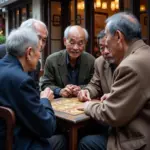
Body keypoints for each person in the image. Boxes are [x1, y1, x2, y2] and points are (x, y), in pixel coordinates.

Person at [78, 12, 150, 150]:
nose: (106, 42)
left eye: (107, 35)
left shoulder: (130, 65)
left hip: (138, 138)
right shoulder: (145, 53)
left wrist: (88, 106)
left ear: (118, 36)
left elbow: (111, 114)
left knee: (86, 143)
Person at [0, 27, 66, 150]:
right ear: (29, 52)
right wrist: (45, 100)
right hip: (16, 143)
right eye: (38, 51)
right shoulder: (21, 81)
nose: (39, 55)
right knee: (62, 140)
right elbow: (47, 128)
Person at [40, 25, 95, 98]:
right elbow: (45, 85)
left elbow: (94, 84)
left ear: (85, 43)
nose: (76, 48)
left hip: (83, 103)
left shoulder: (91, 60)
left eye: (80, 43)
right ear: (65, 41)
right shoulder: (52, 60)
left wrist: (80, 88)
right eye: (72, 43)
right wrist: (60, 91)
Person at [0, 18, 48, 90]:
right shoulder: (2, 52)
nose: (41, 44)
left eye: (44, 40)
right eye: (38, 37)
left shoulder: (36, 64)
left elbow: (34, 91)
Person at [78, 30, 115, 101]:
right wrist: (87, 91)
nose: (106, 51)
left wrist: (115, 96)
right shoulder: (99, 62)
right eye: (102, 48)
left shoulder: (129, 62)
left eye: (109, 46)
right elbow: (95, 85)